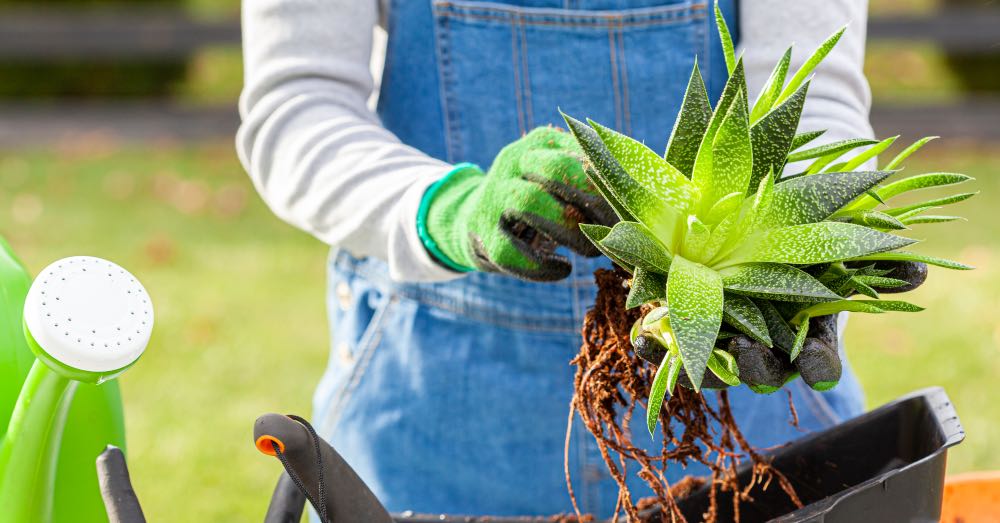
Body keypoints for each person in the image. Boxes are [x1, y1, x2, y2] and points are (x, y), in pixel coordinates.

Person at [238, 0, 873, 517]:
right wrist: (447, 210)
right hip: (438, 397)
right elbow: (297, 103)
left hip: (738, 405)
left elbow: (810, 94)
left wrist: (807, 249)